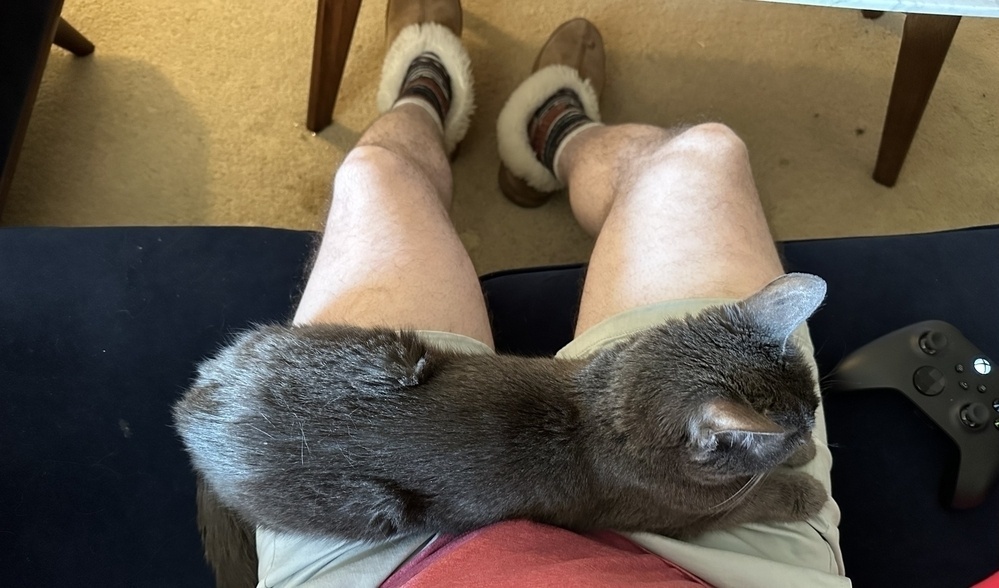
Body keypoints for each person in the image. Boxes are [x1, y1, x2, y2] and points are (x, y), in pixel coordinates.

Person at [256, 1, 848, 586]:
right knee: (706, 154)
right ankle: (546, 128)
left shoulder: (688, 416)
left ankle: (439, 103)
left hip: (382, 534)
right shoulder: (696, 440)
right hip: (690, 563)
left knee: (374, 176)